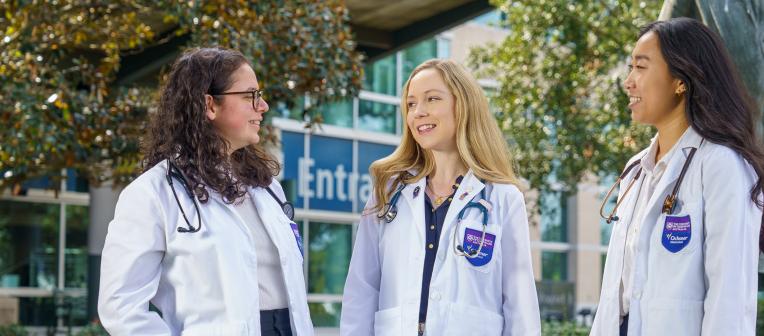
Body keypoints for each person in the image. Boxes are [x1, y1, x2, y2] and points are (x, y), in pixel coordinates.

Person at [98, 47, 313, 336]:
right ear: (210, 105)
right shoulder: (154, 193)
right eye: (251, 95)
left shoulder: (267, 188)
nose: (263, 106)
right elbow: (121, 307)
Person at [340, 59, 541, 335]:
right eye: (411, 104)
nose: (418, 112)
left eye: (432, 99)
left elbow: (520, 306)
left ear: (463, 105)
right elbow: (361, 292)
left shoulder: (503, 199)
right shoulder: (388, 194)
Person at [591, 18, 764, 336]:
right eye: (631, 68)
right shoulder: (635, 171)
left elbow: (729, 297)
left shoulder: (722, 166)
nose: (628, 82)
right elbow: (615, 297)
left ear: (680, 81)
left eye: (641, 68)